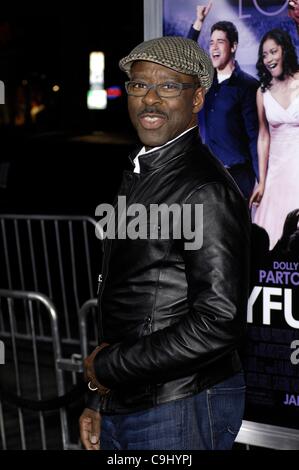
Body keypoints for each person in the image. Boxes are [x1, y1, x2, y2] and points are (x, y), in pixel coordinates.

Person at [79, 36, 250, 451]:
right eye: (139, 86)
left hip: (179, 404)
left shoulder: (204, 188)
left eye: (169, 86)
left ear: (197, 100)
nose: (150, 99)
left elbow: (217, 323)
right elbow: (131, 305)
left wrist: (107, 367)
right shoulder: (144, 171)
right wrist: (99, 396)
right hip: (133, 398)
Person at [187, 3, 259, 199]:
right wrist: (199, 22)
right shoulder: (205, 81)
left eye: (220, 41)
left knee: (237, 229)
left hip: (238, 176)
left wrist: (261, 180)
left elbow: (254, 136)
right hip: (207, 174)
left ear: (233, 46)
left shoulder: (248, 86)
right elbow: (185, 57)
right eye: (211, 42)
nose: (214, 47)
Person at [249, 29, 299, 250]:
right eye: (264, 55)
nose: (269, 59)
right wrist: (262, 180)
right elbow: (263, 136)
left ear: (285, 50)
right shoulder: (263, 92)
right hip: (276, 174)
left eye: (273, 52)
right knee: (271, 238)